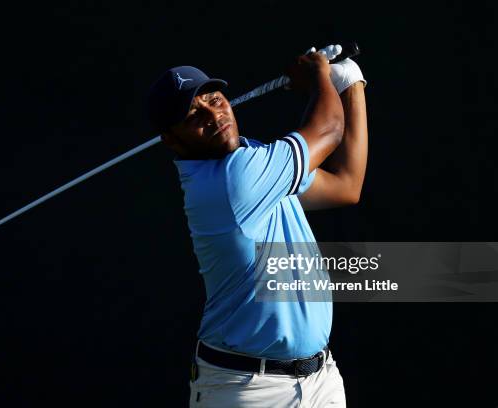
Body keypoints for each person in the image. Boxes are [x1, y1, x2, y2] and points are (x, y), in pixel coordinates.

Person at [147, 45, 367, 408]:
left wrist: (352, 86)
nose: (213, 115)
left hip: (320, 377)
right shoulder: (233, 182)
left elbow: (346, 185)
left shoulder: (252, 157)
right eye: (193, 115)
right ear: (171, 140)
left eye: (215, 100)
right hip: (248, 390)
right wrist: (318, 76)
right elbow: (328, 129)